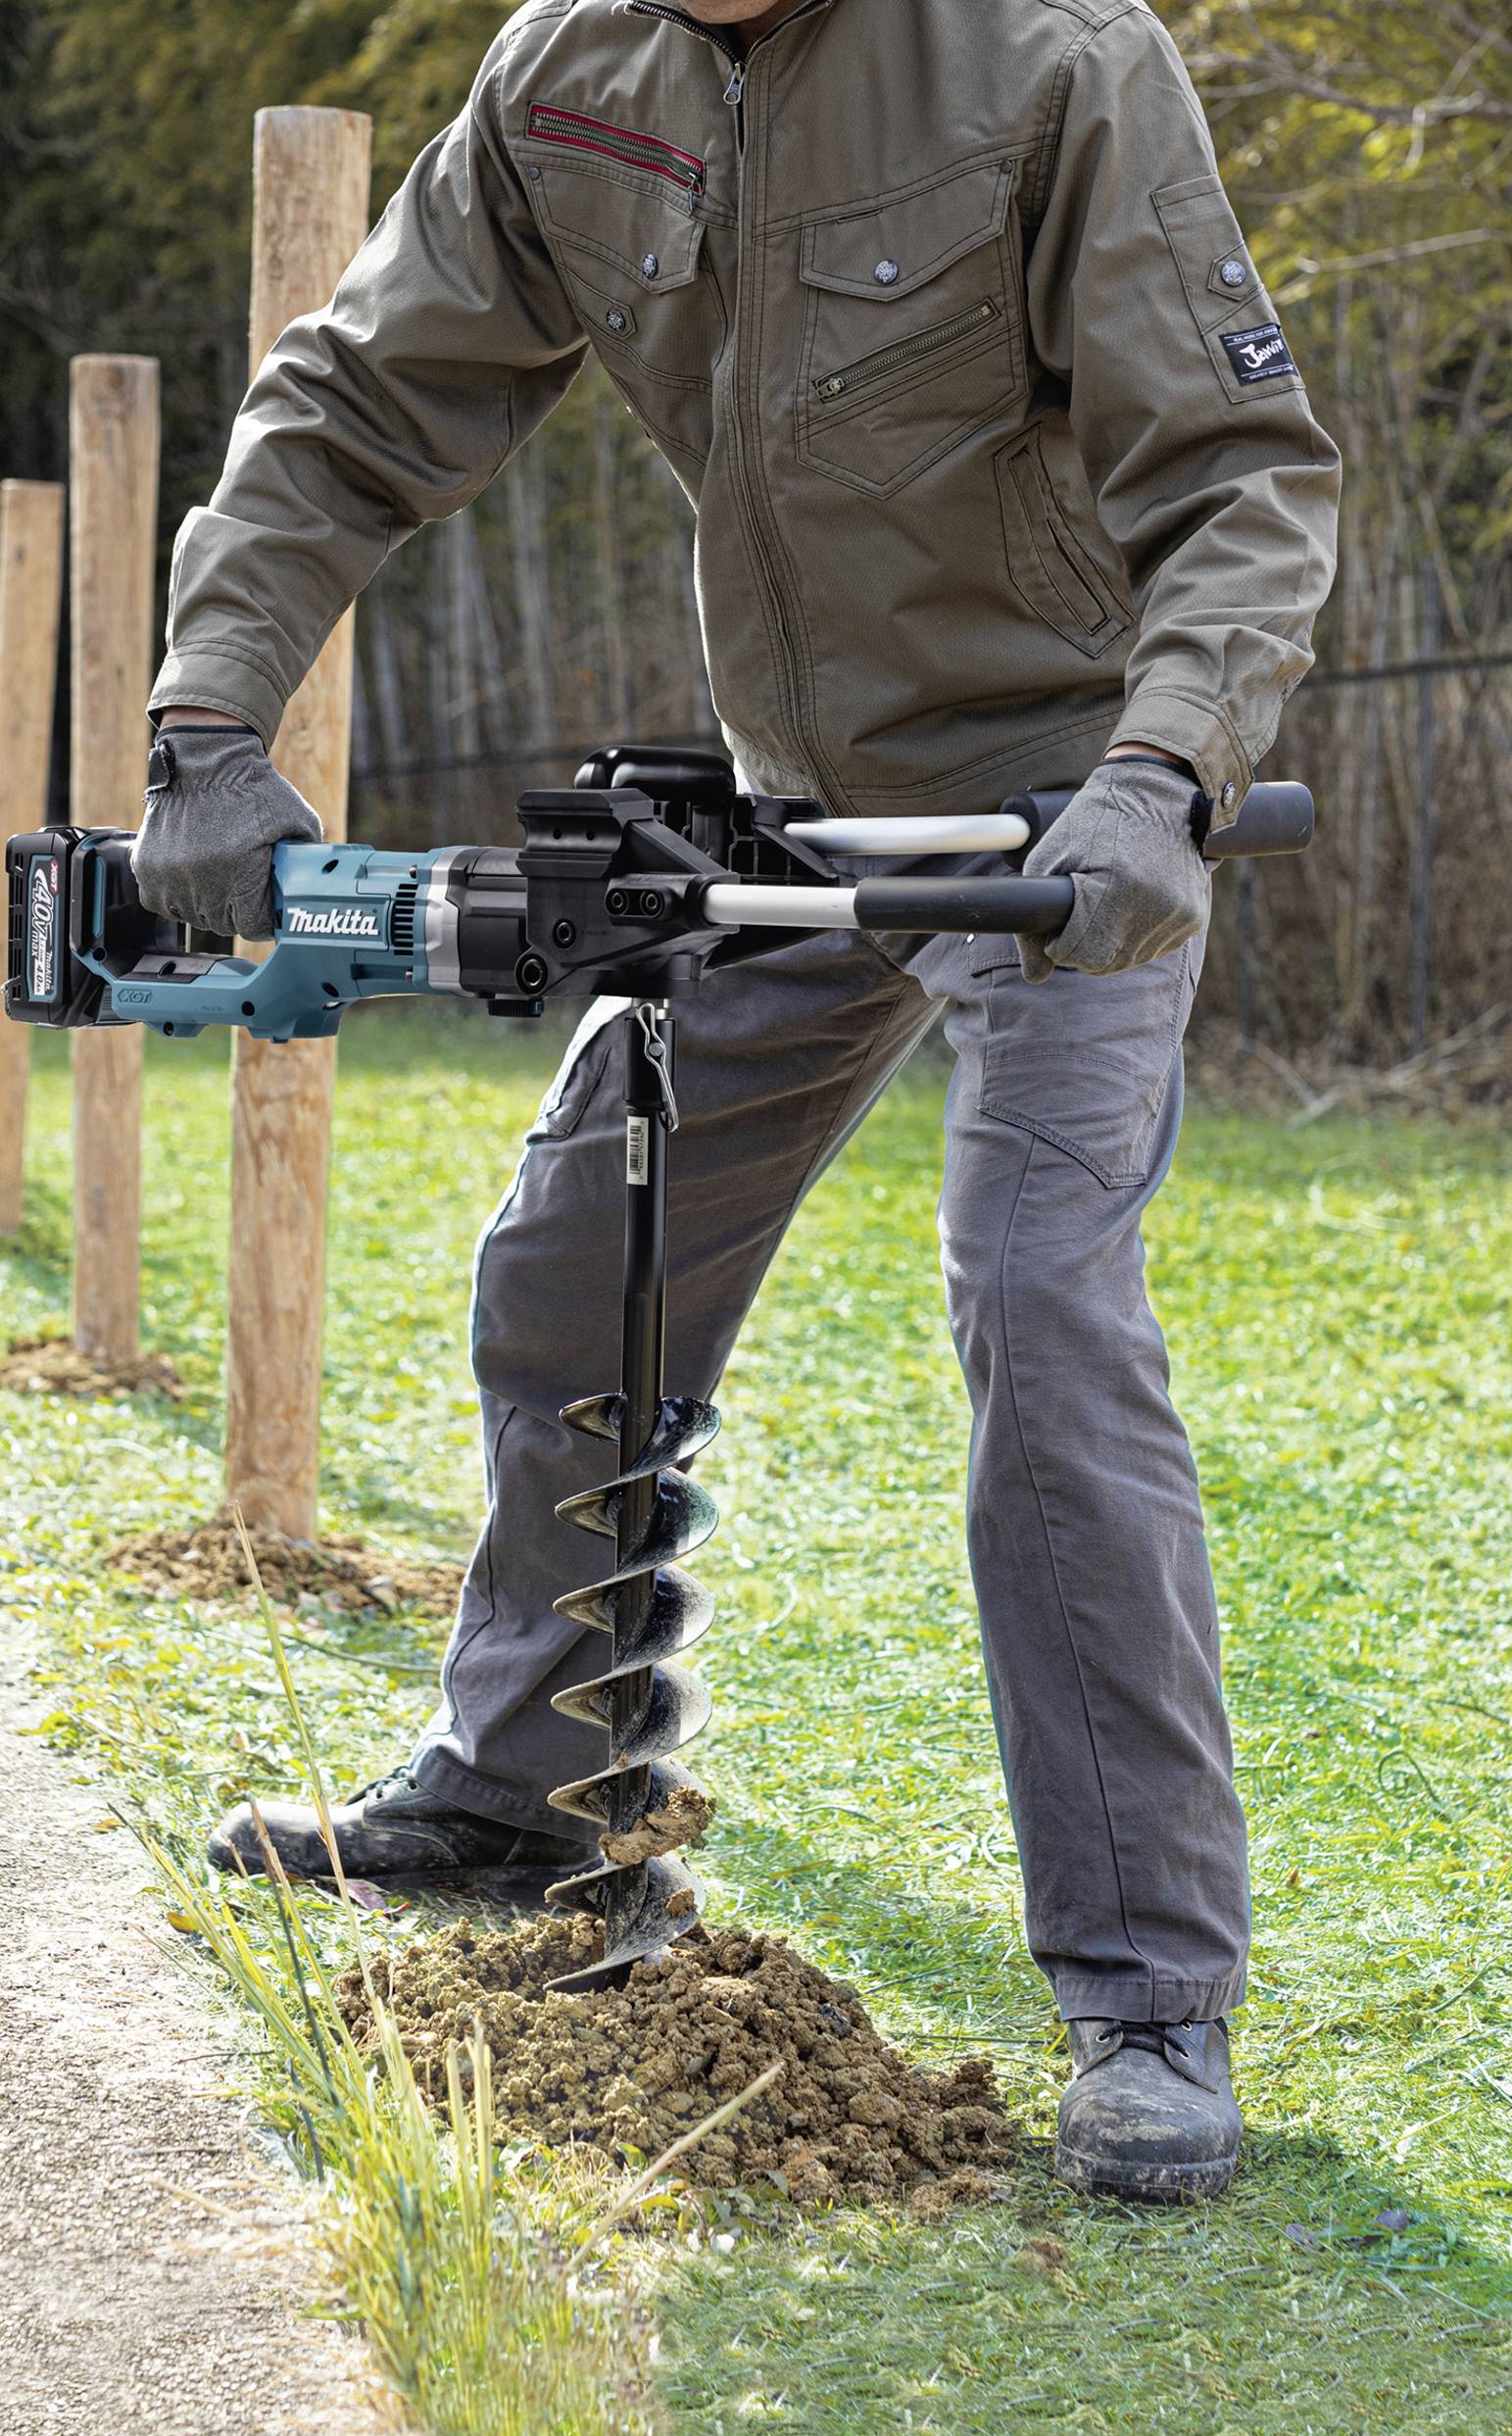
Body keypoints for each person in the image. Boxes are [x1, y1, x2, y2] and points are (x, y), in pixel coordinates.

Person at [133, 0, 1340, 2203]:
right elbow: (353, 395)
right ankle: (518, 1780)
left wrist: (1170, 769)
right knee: (577, 1248)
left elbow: (1242, 483)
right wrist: (206, 713)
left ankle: (1147, 1993)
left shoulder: (1055, 60)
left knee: (1041, 1313)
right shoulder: (571, 73)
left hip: (1060, 821)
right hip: (790, 818)